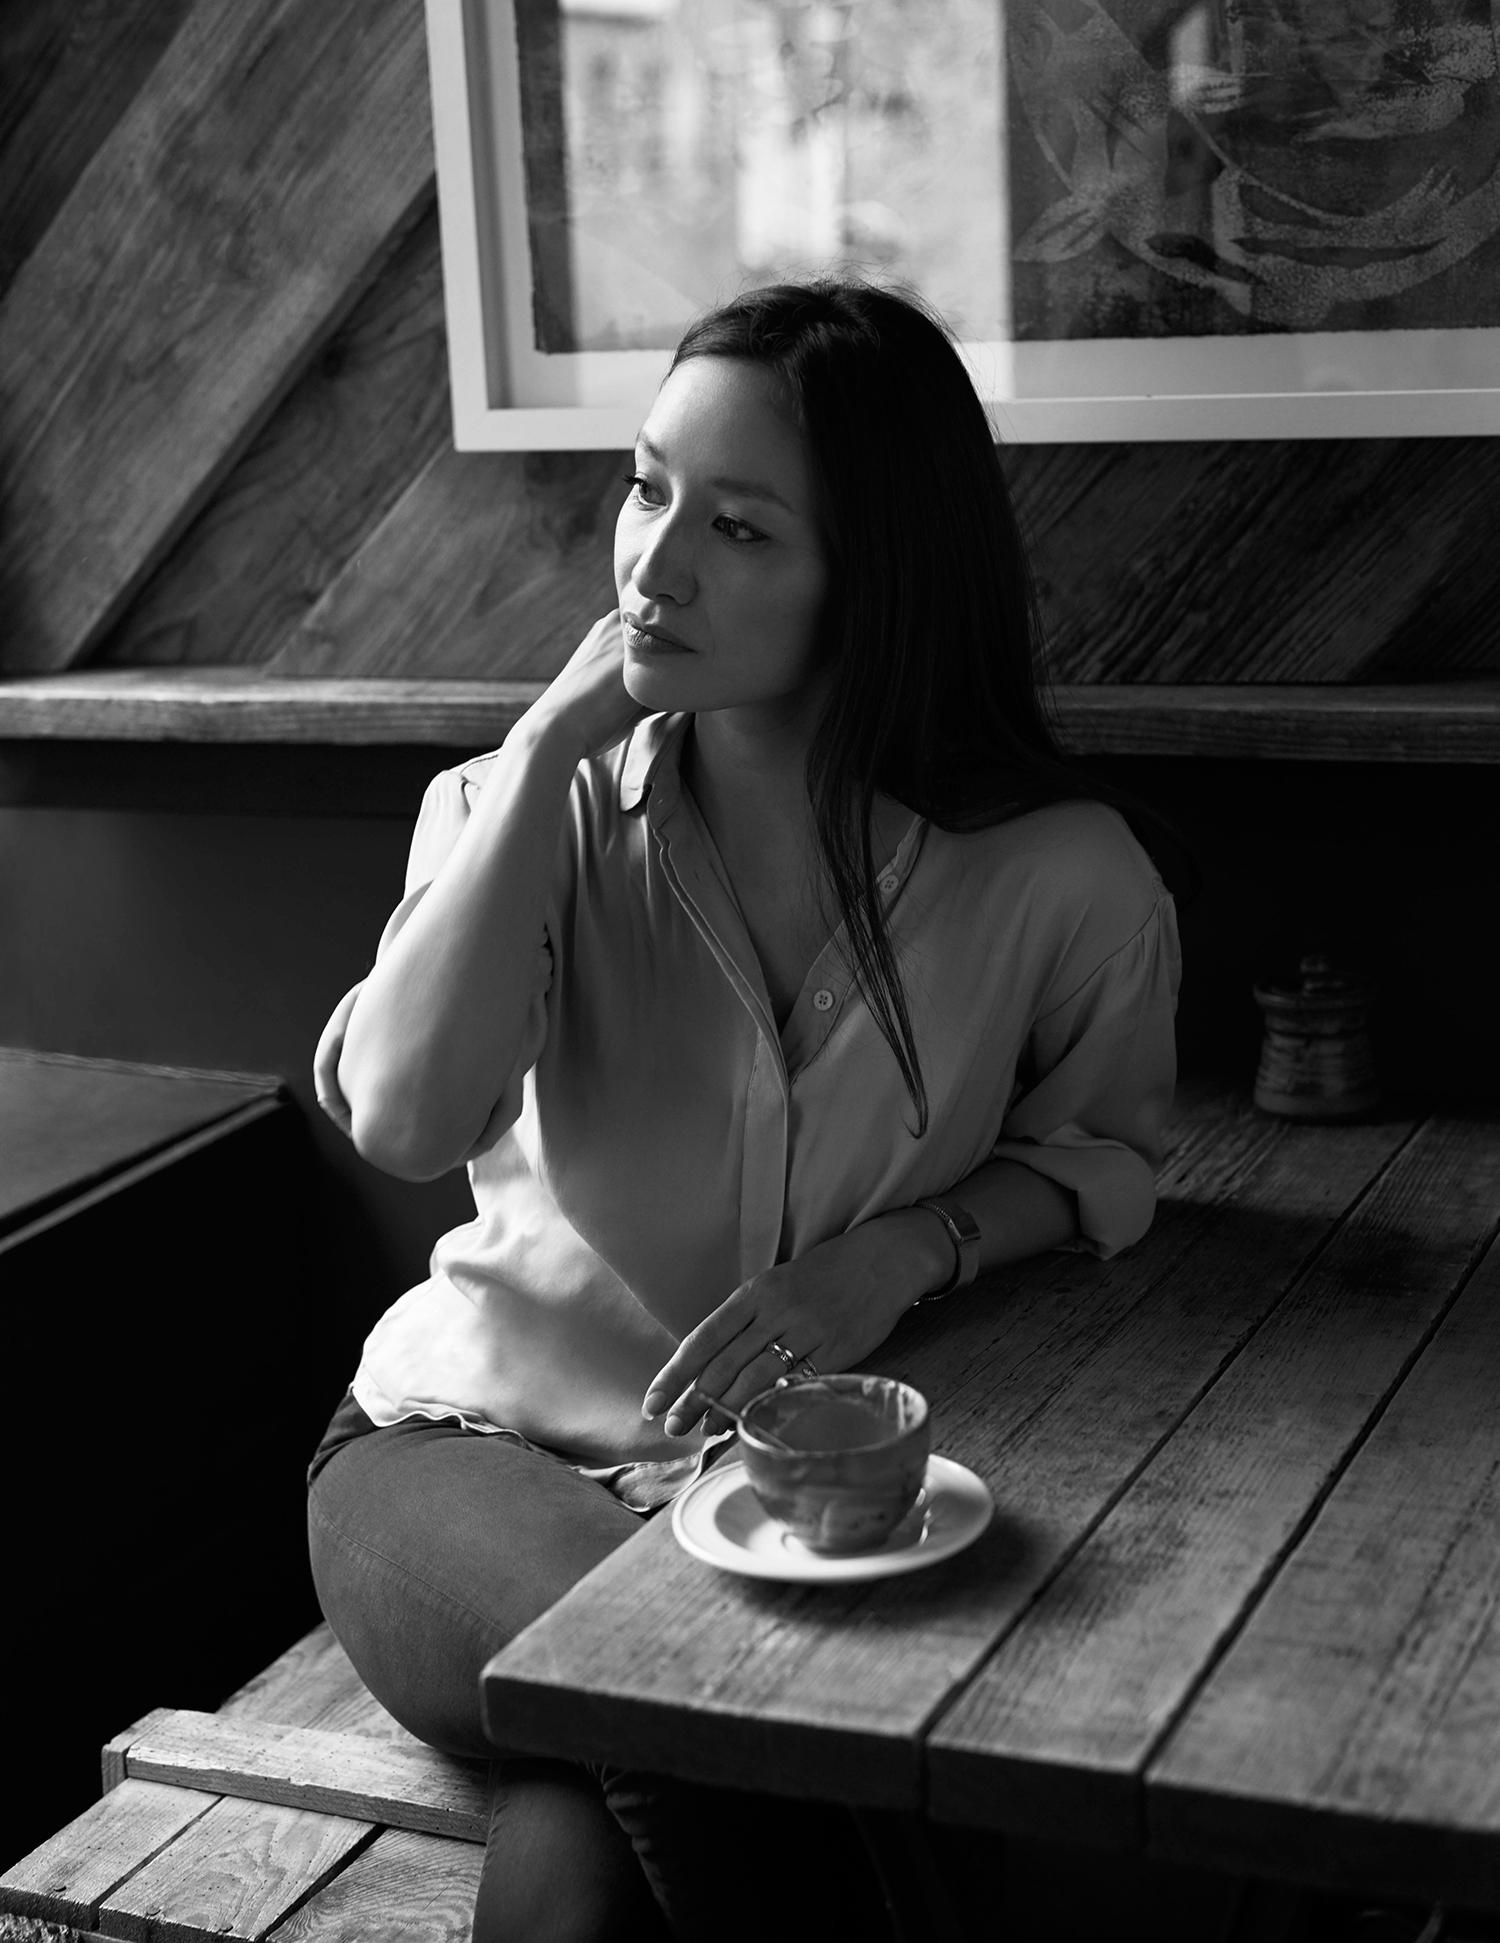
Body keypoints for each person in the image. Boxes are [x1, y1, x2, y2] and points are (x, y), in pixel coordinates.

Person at [308, 276, 1181, 1941]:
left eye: (741, 527)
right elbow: (406, 1121)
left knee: (584, 1864)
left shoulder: (1060, 880)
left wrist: (899, 1256)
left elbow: (1104, 1160)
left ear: (878, 572)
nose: (653, 563)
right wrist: (554, 736)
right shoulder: (518, 810)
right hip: (454, 1466)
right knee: (691, 1691)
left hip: (800, 1510)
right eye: (644, 489)